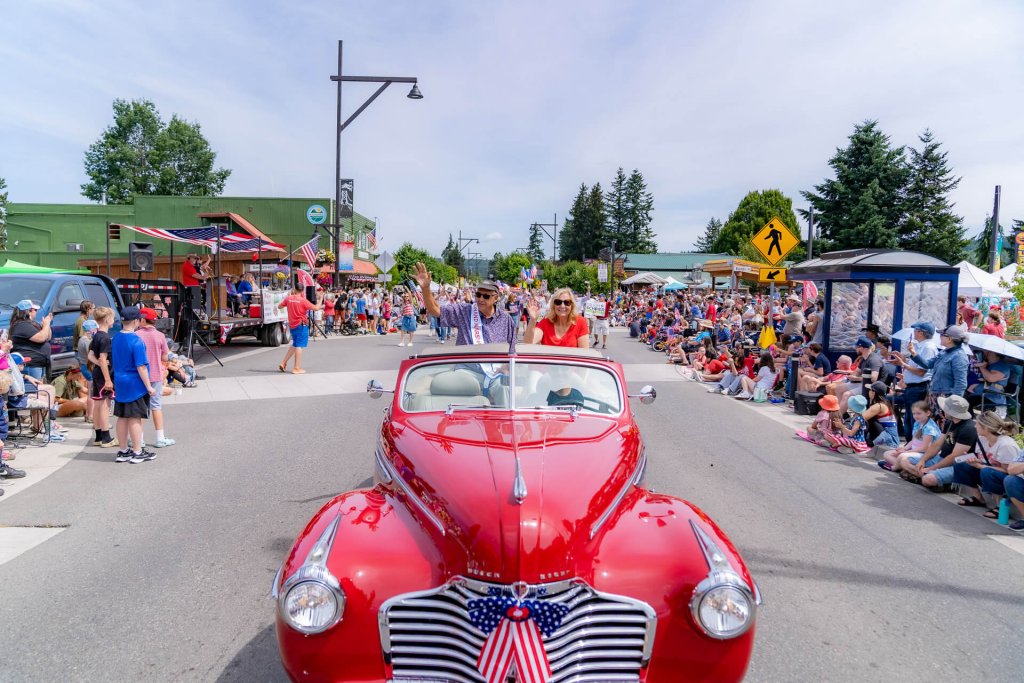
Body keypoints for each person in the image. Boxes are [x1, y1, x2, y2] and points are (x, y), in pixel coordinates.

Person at [415, 263, 516, 347]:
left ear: (495, 298)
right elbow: (435, 310)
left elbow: (512, 348)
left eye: (486, 296)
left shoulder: (505, 319)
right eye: (478, 294)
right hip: (466, 369)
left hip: (495, 370)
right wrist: (425, 288)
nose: (480, 299)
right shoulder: (464, 311)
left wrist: (506, 369)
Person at [898, 395, 976, 491]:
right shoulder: (950, 422)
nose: (942, 410)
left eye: (945, 408)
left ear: (951, 412)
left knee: (928, 479)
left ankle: (925, 478)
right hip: (940, 458)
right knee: (903, 460)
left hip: (955, 465)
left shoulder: (968, 429)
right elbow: (937, 445)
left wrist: (932, 468)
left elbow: (954, 457)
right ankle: (928, 478)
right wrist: (923, 460)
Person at [110, 306, 157, 464]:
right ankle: (137, 451)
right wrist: (149, 387)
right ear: (137, 320)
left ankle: (123, 450)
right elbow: (141, 367)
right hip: (135, 384)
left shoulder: (116, 337)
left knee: (122, 417)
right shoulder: (136, 340)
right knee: (135, 418)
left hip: (120, 381)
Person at [951, 410, 1020, 513]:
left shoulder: (1006, 445)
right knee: (961, 463)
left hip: (1008, 480)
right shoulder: (982, 439)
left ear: (986, 428)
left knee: (987, 471)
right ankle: (977, 498)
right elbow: (984, 459)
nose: (975, 427)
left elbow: (1008, 471)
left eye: (977, 425)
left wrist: (980, 466)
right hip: (991, 471)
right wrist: (974, 460)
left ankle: (1000, 506)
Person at [892, 321, 938, 440]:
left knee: (914, 418)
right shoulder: (921, 346)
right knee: (909, 418)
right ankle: (910, 444)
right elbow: (917, 367)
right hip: (913, 387)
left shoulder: (927, 348)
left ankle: (914, 444)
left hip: (919, 388)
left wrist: (903, 364)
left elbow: (921, 371)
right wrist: (904, 361)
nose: (913, 333)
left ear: (921, 332)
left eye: (915, 330)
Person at [137, 307, 174, 448]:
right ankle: (160, 437)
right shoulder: (160, 335)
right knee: (156, 406)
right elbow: (164, 356)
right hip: (156, 374)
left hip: (139, 376)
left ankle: (139, 438)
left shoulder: (136, 335)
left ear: (142, 320)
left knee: (141, 408)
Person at [878, 401, 941, 472]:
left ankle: (895, 467)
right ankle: (905, 467)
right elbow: (913, 441)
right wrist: (904, 449)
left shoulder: (929, 428)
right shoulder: (917, 423)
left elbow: (925, 448)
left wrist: (908, 452)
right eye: (914, 413)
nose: (916, 416)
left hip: (926, 456)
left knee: (902, 456)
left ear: (928, 413)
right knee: (887, 454)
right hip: (915, 452)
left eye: (919, 413)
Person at [87, 307, 117, 448]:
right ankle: (106, 437)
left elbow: (90, 355)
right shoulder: (105, 338)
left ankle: (98, 436)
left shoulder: (97, 335)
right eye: (112, 318)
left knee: (98, 405)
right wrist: (108, 379)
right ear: (107, 319)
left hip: (97, 373)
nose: (114, 320)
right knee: (105, 406)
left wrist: (98, 363)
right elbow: (103, 358)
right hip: (105, 375)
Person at [278, 285, 324, 374]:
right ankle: (296, 367)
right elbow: (316, 308)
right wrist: (321, 298)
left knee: (295, 344)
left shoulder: (288, 298)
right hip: (301, 325)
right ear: (303, 291)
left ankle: (283, 363)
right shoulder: (303, 301)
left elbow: (279, 306)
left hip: (292, 325)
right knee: (299, 345)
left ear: (294, 289)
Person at [524, 289, 589, 348]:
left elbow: (584, 353)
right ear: (553, 305)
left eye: (567, 302)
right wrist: (533, 320)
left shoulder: (580, 322)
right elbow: (528, 343)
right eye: (558, 302)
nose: (562, 306)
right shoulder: (546, 322)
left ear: (572, 305)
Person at [9, 299, 52, 380]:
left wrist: (46, 326)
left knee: (40, 389)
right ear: (28, 311)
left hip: (38, 363)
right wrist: (46, 324)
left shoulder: (31, 324)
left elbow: (47, 337)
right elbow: (41, 338)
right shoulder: (22, 325)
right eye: (35, 310)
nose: (36, 312)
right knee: (35, 389)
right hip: (31, 365)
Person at [863, 381, 900, 450]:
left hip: (889, 441)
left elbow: (862, 418)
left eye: (870, 390)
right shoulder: (885, 403)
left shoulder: (879, 406)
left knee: (870, 419)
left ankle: (858, 440)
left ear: (874, 392)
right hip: (890, 439)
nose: (868, 392)